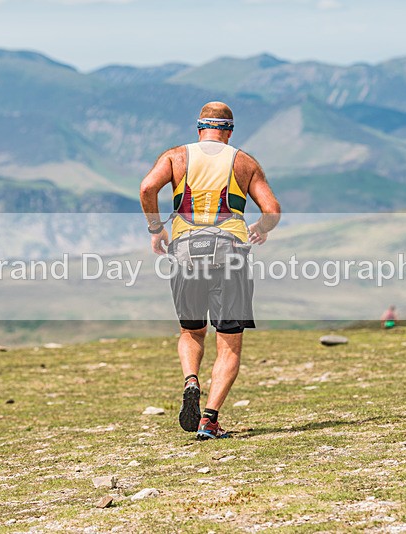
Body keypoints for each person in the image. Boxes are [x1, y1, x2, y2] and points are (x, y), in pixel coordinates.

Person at [139, 101, 281, 440]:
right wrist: (261, 228)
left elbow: (147, 188)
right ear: (229, 131)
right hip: (230, 253)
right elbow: (272, 209)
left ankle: (191, 380)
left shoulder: (175, 157)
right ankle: (209, 420)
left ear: (199, 128)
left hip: (185, 253)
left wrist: (156, 228)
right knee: (228, 342)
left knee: (191, 332)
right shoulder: (244, 162)